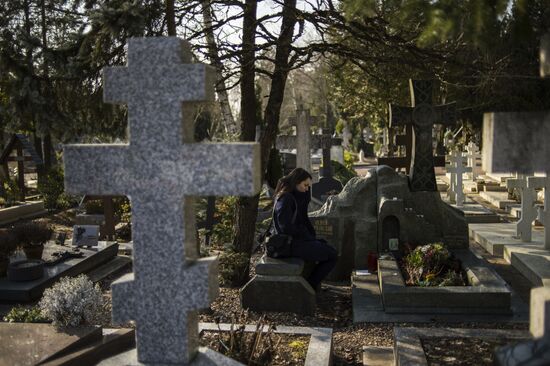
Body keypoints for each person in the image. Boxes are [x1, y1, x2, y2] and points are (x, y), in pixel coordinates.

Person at [273, 168, 338, 291]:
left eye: (308, 186)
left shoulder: (295, 196)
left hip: (296, 241)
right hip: (288, 244)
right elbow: (285, 227)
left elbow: (302, 219)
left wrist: (305, 198)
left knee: (326, 248)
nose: (307, 189)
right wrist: (307, 238)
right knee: (332, 255)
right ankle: (309, 286)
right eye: (305, 185)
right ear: (296, 182)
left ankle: (310, 284)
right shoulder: (285, 199)